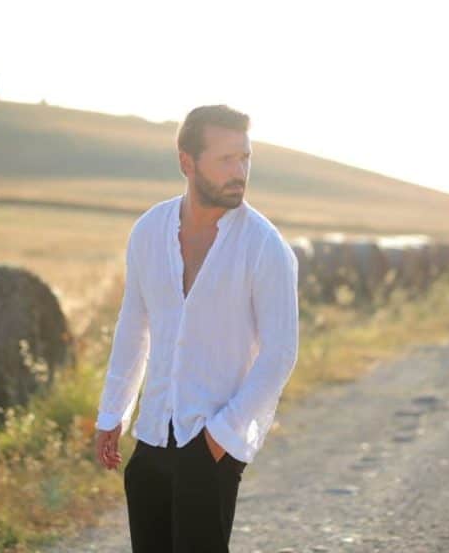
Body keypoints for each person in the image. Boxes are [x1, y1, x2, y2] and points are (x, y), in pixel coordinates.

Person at [92, 104, 300, 552]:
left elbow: (280, 352)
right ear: (187, 162)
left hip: (209, 442)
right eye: (226, 159)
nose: (239, 171)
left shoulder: (265, 247)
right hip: (150, 436)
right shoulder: (149, 231)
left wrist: (220, 438)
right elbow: (134, 326)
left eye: (245, 158)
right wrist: (113, 413)